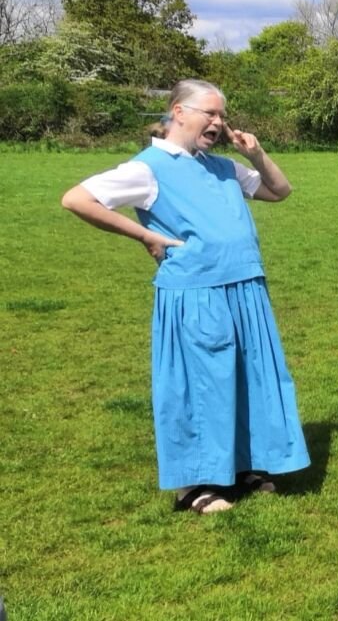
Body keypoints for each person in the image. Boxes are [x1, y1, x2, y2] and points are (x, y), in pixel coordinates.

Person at [61, 79, 310, 514]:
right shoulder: (148, 168)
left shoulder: (223, 166)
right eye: (209, 113)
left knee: (245, 378)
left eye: (222, 115)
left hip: (243, 286)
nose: (218, 122)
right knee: (200, 384)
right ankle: (192, 485)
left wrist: (256, 154)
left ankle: (239, 464)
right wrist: (144, 234)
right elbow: (77, 199)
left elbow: (278, 191)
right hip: (196, 291)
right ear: (178, 112)